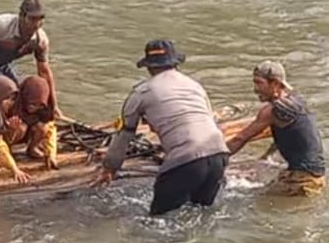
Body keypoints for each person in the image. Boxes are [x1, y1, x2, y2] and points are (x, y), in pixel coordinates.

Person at [94, 40, 230, 216]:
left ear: (149, 67)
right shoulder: (195, 86)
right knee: (201, 214)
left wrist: (109, 168)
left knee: (157, 221)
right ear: (175, 63)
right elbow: (209, 121)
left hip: (186, 160)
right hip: (219, 155)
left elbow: (124, 134)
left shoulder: (141, 93)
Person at [224, 61, 327, 196]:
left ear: (275, 84)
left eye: (259, 83)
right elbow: (288, 135)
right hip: (314, 175)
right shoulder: (295, 101)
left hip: (303, 181)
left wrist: (214, 159)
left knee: (244, 200)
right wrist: (266, 157)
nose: (255, 89)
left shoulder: (273, 111)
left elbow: (241, 138)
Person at [0, 75, 58, 171]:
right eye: (31, 103)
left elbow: (50, 130)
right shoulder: (9, 104)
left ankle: (32, 148)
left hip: (25, 131)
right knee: (20, 128)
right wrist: (10, 128)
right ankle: (8, 151)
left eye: (39, 105)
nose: (34, 108)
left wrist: (51, 154)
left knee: (43, 127)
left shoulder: (44, 109)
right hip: (6, 132)